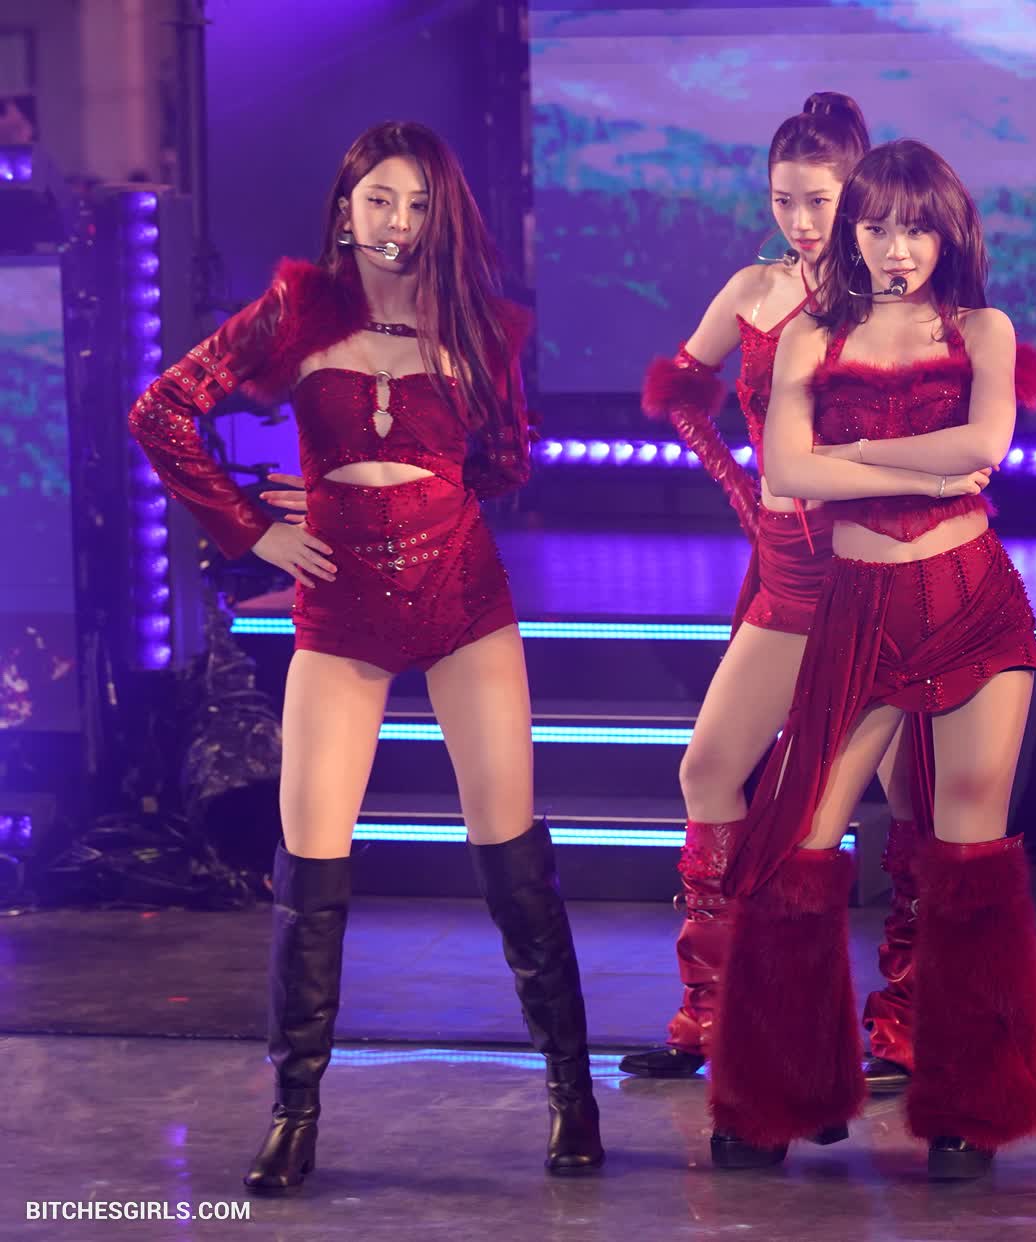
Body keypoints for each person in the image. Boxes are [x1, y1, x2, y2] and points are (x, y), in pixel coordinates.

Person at [128, 121, 604, 1191]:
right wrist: (253, 528)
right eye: (380, 199)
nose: (398, 222)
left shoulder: (475, 322)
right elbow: (161, 412)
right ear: (345, 207)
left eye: (419, 205)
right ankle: (294, 1113)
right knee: (310, 867)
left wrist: (415, 503)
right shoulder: (295, 312)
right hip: (338, 607)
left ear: (443, 218)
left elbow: (508, 461)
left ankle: (572, 1093)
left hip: (461, 598)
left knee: (512, 855)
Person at [706, 139, 1036, 1181]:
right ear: (853, 231)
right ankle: (780, 1094)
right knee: (801, 836)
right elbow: (783, 473)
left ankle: (973, 1107)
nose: (896, 249)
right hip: (858, 608)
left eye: (916, 229)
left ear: (949, 233)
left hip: (972, 603)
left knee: (969, 844)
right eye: (877, 227)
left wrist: (847, 459)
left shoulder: (984, 329)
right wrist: (905, 469)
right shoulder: (811, 334)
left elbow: (981, 450)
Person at [622, 91, 922, 1095]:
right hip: (788, 571)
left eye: (819, 200)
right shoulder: (753, 289)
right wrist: (743, 497)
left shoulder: (890, 300)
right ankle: (710, 1015)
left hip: (878, 568)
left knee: (905, 800)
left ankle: (905, 1022)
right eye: (783, 200)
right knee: (709, 771)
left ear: (859, 194)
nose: (800, 221)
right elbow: (678, 388)